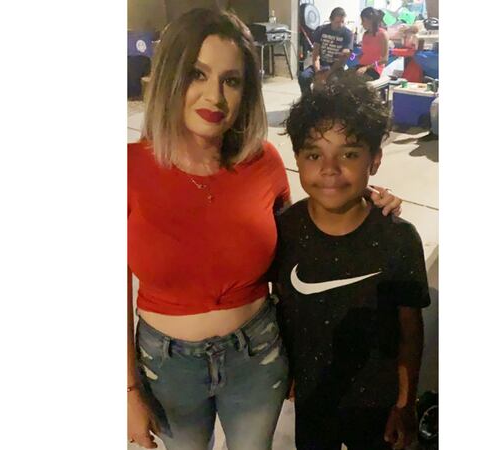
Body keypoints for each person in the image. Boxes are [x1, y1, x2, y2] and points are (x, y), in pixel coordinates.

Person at [127, 9, 402, 450]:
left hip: (256, 357)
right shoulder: (129, 169)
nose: (215, 96)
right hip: (167, 367)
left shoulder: (263, 162)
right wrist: (127, 391)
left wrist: (362, 197)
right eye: (197, 74)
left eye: (231, 80)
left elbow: (303, 233)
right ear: (170, 77)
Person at [277, 73, 431, 450]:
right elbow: (281, 307)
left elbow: (410, 331)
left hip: (378, 404)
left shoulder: (398, 239)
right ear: (297, 159)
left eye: (348, 154)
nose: (329, 168)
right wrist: (288, 369)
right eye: (314, 155)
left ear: (374, 160)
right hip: (313, 398)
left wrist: (405, 403)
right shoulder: (284, 230)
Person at [298, 7, 354, 96]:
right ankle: (307, 99)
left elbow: (342, 59)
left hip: (336, 67)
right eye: (337, 22)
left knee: (334, 82)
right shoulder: (321, 30)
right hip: (321, 64)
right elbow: (315, 54)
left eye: (342, 22)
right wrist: (318, 72)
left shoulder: (348, 34)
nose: (340, 25)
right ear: (330, 20)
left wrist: (327, 74)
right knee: (303, 77)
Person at [355, 7, 389, 81]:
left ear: (370, 20)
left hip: (374, 69)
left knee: (354, 81)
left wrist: (366, 67)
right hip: (362, 67)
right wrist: (357, 56)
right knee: (343, 78)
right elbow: (366, 53)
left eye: (363, 21)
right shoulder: (365, 34)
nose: (361, 23)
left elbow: (385, 59)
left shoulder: (382, 34)